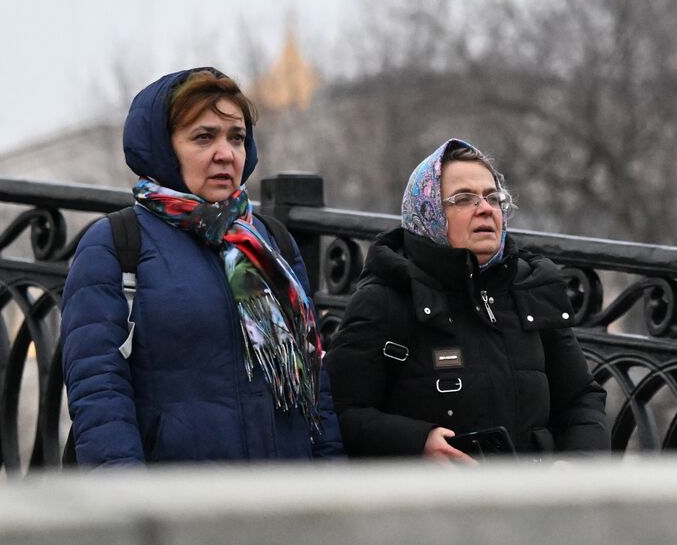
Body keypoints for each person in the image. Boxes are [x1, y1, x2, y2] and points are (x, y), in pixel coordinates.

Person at [60, 67, 344, 466]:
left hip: (283, 502)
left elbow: (316, 388)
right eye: (203, 137)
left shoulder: (270, 242)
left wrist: (332, 488)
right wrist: (130, 511)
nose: (226, 153)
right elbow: (100, 395)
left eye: (237, 138)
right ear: (163, 148)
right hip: (180, 509)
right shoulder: (114, 244)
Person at [326, 139, 608, 461]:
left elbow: (581, 398)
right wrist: (419, 442)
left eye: (493, 197)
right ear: (427, 211)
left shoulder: (531, 287)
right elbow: (339, 413)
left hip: (535, 500)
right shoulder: (386, 298)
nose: (486, 208)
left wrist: (577, 464)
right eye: (464, 199)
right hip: (434, 504)